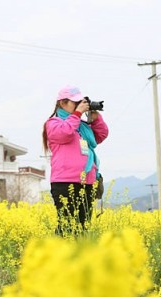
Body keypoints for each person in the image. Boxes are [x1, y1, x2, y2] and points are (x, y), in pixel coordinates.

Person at [42, 85, 109, 235]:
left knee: (83, 227)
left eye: (81, 102)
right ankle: (57, 256)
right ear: (62, 103)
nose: (79, 105)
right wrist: (78, 113)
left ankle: (78, 257)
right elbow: (64, 133)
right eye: (75, 102)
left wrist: (95, 116)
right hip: (65, 182)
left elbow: (101, 135)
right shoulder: (53, 123)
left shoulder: (81, 126)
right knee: (66, 225)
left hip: (87, 181)